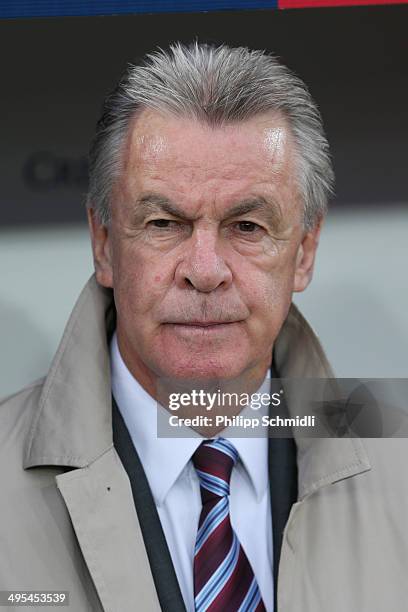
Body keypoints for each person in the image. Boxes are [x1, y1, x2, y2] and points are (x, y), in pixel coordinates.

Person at [1, 42, 407, 612]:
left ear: (306, 249)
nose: (206, 271)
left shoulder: (398, 461)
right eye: (164, 223)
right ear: (103, 242)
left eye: (247, 225)